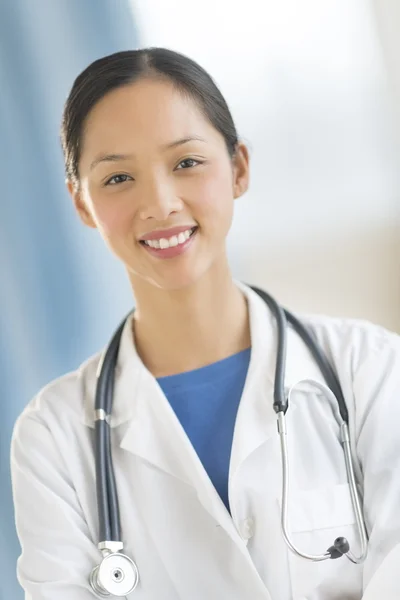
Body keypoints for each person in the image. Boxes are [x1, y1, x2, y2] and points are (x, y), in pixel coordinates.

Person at [10, 48, 400, 600]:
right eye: (118, 176)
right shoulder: (54, 437)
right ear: (81, 203)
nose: (160, 203)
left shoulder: (371, 371)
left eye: (186, 163)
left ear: (238, 167)